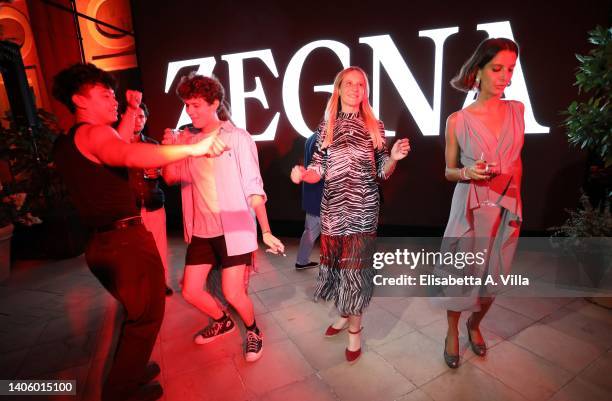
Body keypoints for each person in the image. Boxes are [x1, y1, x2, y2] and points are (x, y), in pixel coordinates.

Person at [52, 63, 227, 401]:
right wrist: (193, 149)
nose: (113, 100)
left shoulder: (68, 141)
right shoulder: (93, 133)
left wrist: (132, 110)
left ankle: (130, 371)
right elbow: (126, 151)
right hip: (124, 243)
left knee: (137, 315)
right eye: (105, 95)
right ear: (79, 100)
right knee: (146, 318)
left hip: (100, 243)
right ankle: (122, 390)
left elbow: (114, 143)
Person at [290, 66, 410, 363]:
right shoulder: (326, 126)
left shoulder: (375, 125)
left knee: (355, 272)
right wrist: (304, 174)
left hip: (364, 211)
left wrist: (392, 158)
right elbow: (319, 170)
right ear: (339, 89)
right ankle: (344, 315)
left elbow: (382, 171)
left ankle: (355, 330)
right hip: (333, 211)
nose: (356, 89)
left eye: (361, 84)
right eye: (350, 84)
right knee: (340, 270)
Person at [162, 73, 284, 363]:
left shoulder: (237, 138)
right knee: (190, 290)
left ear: (214, 102)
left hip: (234, 228)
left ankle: (253, 331)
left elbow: (254, 187)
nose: (190, 111)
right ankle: (223, 321)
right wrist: (170, 151)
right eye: (187, 106)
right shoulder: (187, 140)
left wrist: (265, 231)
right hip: (202, 230)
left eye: (195, 105)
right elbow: (170, 178)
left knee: (232, 291)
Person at [438, 38, 524, 368]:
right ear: (478, 71)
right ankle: (451, 331)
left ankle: (475, 325)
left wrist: (516, 204)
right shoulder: (458, 120)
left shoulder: (518, 110)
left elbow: (518, 163)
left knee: (495, 278)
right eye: (497, 68)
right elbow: (448, 171)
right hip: (471, 210)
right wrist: (466, 172)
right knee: (462, 277)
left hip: (506, 206)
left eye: (510, 70)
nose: (505, 77)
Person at [118, 102, 173, 296]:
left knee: (160, 247)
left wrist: (158, 171)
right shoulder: (117, 145)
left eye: (142, 117)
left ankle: (162, 283)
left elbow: (166, 173)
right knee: (134, 252)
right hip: (129, 209)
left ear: (146, 120)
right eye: (134, 116)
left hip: (153, 203)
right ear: (124, 117)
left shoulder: (152, 144)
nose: (138, 120)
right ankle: (140, 287)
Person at [294, 132, 324, 270]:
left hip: (311, 195)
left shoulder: (311, 138)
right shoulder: (325, 139)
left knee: (309, 232)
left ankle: (301, 261)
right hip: (323, 195)